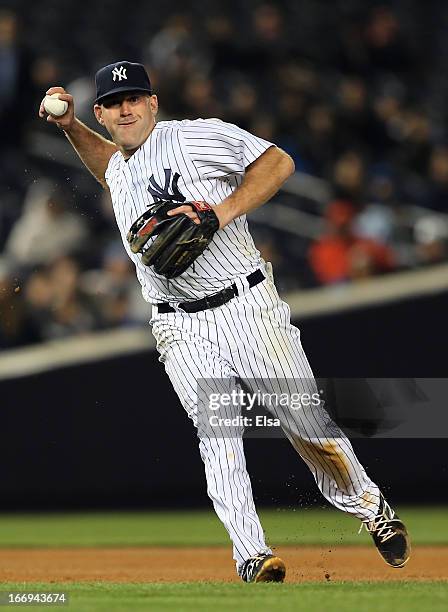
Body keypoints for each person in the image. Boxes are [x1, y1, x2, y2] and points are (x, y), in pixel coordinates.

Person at [39, 61, 410, 583]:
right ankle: (252, 556)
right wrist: (72, 128)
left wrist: (221, 211)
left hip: (247, 306)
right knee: (219, 433)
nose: (126, 108)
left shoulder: (196, 139)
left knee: (305, 423)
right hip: (179, 327)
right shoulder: (120, 165)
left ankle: (371, 507)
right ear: (100, 112)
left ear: (153, 103)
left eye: (135, 98)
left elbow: (278, 163)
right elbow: (112, 170)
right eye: (114, 102)